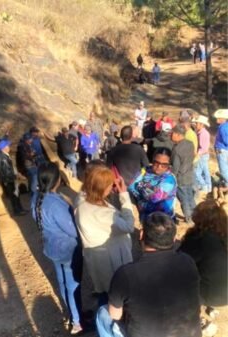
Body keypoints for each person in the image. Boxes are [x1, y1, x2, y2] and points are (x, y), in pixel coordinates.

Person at [96, 212, 201, 337]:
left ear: (141, 235)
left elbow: (115, 315)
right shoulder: (188, 261)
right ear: (174, 239)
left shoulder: (125, 274)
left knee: (102, 313)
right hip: (190, 333)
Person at [32, 162, 84, 335]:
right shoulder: (55, 203)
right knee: (73, 285)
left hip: (52, 248)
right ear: (56, 181)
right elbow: (71, 229)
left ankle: (71, 314)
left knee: (62, 282)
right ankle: (78, 322)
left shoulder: (36, 198)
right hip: (67, 250)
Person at [75, 166, 134, 305]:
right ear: (101, 188)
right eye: (110, 185)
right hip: (111, 258)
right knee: (115, 293)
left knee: (103, 288)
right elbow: (129, 226)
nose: (112, 188)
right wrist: (124, 195)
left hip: (96, 257)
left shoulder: (81, 200)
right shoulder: (104, 214)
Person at [180, 200, 227, 337]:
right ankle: (211, 308)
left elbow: (181, 260)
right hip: (225, 291)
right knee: (213, 267)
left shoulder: (199, 238)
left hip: (212, 295)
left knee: (178, 278)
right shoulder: (224, 233)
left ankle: (199, 321)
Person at [129, 147, 177, 223]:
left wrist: (140, 187)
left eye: (164, 165)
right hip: (144, 217)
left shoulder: (169, 180)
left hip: (162, 220)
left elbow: (154, 197)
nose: (159, 167)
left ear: (169, 165)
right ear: (152, 160)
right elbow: (131, 185)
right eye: (156, 163)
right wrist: (145, 190)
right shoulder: (145, 169)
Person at [171, 124, 196, 224]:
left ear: (177, 135)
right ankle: (196, 215)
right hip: (189, 175)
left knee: (184, 199)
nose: (170, 135)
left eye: (172, 133)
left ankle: (189, 218)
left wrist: (172, 177)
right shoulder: (190, 144)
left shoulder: (177, 149)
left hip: (181, 178)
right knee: (190, 197)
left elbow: (175, 167)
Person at [0, 139, 26, 216]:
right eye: (7, 145)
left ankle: (20, 209)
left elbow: (10, 169)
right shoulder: (3, 158)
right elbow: (7, 172)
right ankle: (17, 211)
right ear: (4, 147)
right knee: (14, 196)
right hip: (9, 180)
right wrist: (17, 176)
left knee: (16, 194)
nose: (9, 147)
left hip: (10, 179)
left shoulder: (4, 156)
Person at [193, 116, 212, 197]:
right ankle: (208, 187)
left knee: (197, 172)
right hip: (204, 155)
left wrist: (197, 154)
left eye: (197, 123)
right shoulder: (201, 132)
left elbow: (204, 147)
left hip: (202, 155)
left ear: (201, 124)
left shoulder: (203, 134)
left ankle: (204, 186)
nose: (196, 124)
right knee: (205, 171)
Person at [214, 109, 228, 191]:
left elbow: (226, 140)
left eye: (219, 118)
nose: (217, 119)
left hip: (222, 150)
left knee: (223, 169)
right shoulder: (225, 126)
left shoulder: (222, 128)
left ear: (223, 119)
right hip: (224, 150)